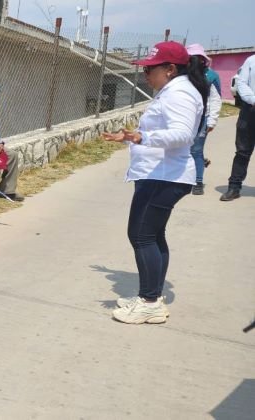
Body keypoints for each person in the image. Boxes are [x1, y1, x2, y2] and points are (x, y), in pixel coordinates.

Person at [102, 41, 208, 324]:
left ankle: (149, 302)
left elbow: (183, 134)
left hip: (164, 175)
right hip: (158, 173)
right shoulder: (174, 91)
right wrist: (131, 136)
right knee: (152, 235)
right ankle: (152, 296)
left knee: (141, 235)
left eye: (150, 69)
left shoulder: (180, 94)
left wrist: (142, 138)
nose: (146, 74)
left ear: (170, 69)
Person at [185, 44, 222, 195]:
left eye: (197, 58)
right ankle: (187, 174)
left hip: (203, 119)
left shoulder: (211, 76)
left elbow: (215, 99)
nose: (195, 61)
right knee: (182, 147)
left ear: (202, 60)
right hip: (185, 117)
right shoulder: (183, 75)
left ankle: (198, 181)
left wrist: (212, 120)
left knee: (196, 149)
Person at [221, 53, 255, 201]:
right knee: (242, 151)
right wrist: (253, 99)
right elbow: (241, 83)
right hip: (250, 110)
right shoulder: (251, 60)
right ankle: (234, 187)